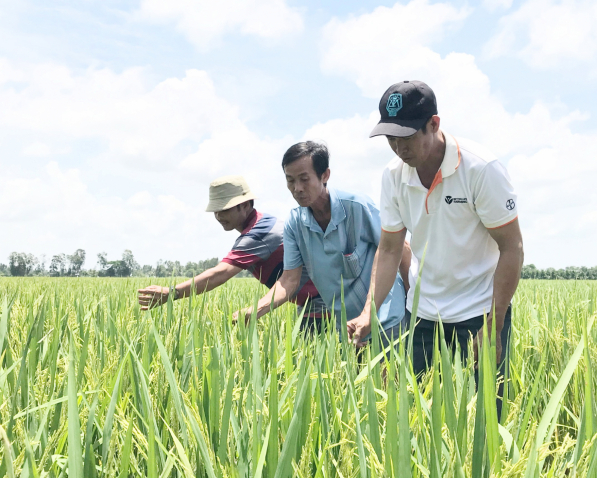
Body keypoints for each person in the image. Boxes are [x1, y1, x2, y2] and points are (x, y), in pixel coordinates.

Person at [347, 80, 524, 401]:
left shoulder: (481, 169)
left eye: (406, 137)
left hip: (479, 311)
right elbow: (388, 249)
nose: (399, 148)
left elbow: (512, 247)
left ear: (434, 124)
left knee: (485, 413)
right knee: (411, 413)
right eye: (390, 138)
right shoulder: (393, 176)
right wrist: (368, 312)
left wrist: (494, 323)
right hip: (424, 312)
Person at [236, 141, 411, 344]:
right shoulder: (295, 223)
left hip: (386, 319)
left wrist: (413, 306)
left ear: (325, 175)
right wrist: (257, 310)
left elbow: (400, 249)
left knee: (390, 375)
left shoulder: (356, 207)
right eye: (290, 180)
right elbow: (289, 280)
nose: (297, 188)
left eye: (304, 179)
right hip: (347, 327)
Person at [137, 176, 327, 330]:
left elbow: (220, 274)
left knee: (310, 360)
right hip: (313, 301)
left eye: (224, 209)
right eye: (216, 211)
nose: (219, 216)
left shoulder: (258, 234)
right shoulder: (263, 223)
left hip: (325, 300)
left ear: (245, 205)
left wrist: (173, 293)